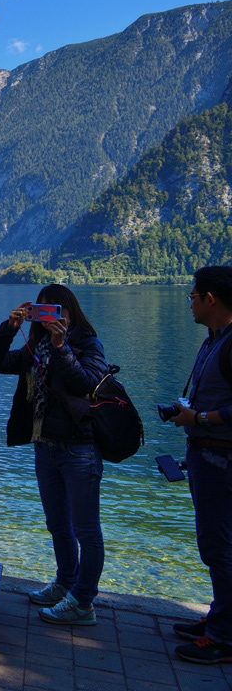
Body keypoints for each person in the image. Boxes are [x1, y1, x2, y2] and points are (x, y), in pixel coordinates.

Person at [0, 284, 108, 625]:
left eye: (57, 310)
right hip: (46, 446)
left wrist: (61, 346)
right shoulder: (34, 345)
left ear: (70, 312)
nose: (50, 316)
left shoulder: (87, 342)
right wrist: (8, 328)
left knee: (86, 530)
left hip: (80, 449)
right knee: (57, 524)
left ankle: (83, 602)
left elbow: (87, 384)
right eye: (43, 310)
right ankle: (66, 584)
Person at [163, 266, 232, 665]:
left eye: (192, 296)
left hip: (221, 460)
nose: (188, 302)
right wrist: (186, 411)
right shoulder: (213, 340)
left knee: (220, 547)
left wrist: (202, 420)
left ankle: (224, 638)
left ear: (211, 299)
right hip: (206, 457)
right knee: (215, 545)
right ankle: (219, 619)